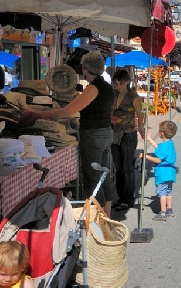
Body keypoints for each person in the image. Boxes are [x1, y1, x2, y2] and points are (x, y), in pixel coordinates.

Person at [35, 52, 115, 216]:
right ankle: (108, 219)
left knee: (93, 179)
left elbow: (69, 111)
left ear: (85, 69)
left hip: (93, 135)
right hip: (105, 133)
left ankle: (98, 222)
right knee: (103, 177)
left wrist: (43, 115)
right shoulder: (107, 86)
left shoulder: (94, 87)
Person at [110, 69, 145, 212]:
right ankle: (120, 198)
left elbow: (140, 114)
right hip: (114, 134)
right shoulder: (113, 94)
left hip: (128, 134)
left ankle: (128, 199)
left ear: (128, 82)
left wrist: (141, 128)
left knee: (127, 167)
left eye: (121, 84)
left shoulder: (133, 96)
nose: (118, 86)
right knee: (118, 168)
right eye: (116, 84)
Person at [140, 120, 178, 221]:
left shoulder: (165, 146)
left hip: (163, 173)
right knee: (168, 191)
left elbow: (158, 159)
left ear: (161, 133)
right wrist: (149, 139)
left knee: (162, 193)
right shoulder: (169, 143)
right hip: (170, 173)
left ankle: (163, 212)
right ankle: (169, 209)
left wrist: (146, 156)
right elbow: (159, 148)